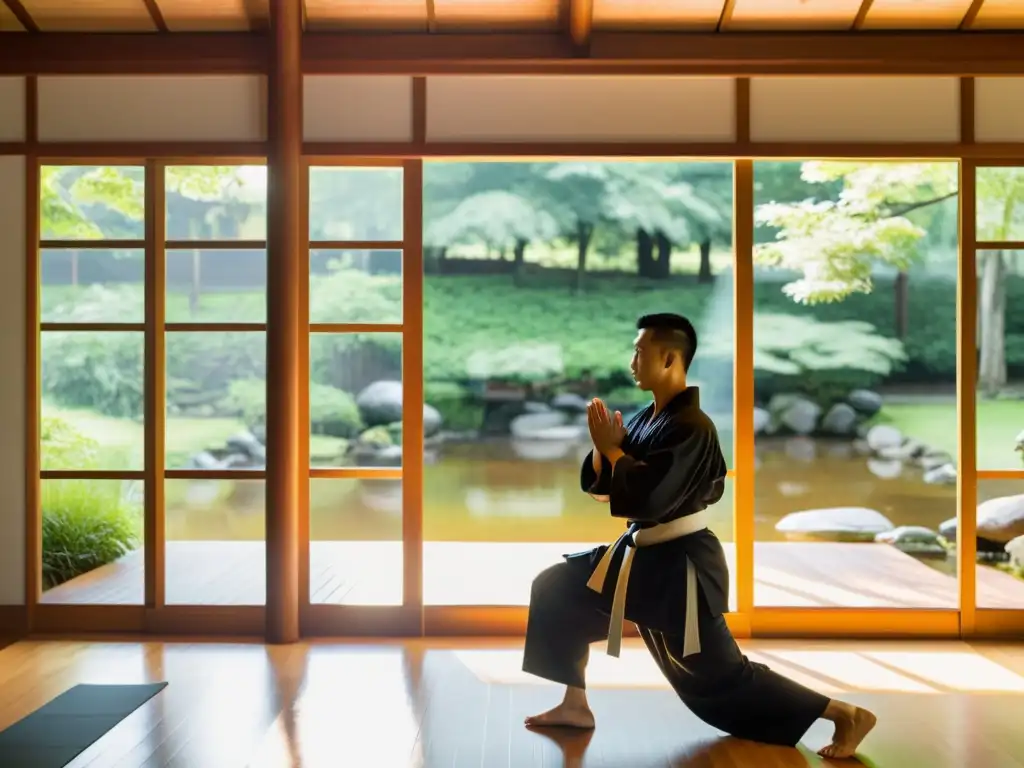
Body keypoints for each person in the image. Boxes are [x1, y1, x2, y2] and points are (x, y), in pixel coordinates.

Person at [521, 313, 877, 760]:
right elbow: (606, 488)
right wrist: (603, 446)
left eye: (640, 351)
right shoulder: (648, 417)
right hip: (643, 554)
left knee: (719, 676)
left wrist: (612, 448)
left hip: (680, 565)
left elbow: (650, 497)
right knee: (557, 588)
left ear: (670, 358)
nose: (632, 361)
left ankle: (843, 713)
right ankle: (575, 705)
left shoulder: (693, 426)